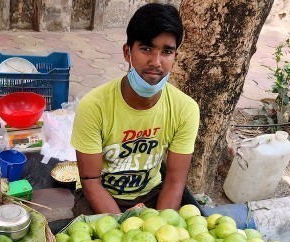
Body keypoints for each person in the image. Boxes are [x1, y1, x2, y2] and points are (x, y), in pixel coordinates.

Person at [70, 3, 200, 216]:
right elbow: (90, 180)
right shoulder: (93, 106)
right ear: (127, 51)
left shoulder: (185, 109)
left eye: (166, 51)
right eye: (146, 48)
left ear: (175, 57)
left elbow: (175, 180)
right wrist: (125, 228)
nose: (156, 62)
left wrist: (159, 226)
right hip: (101, 194)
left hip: (151, 194)